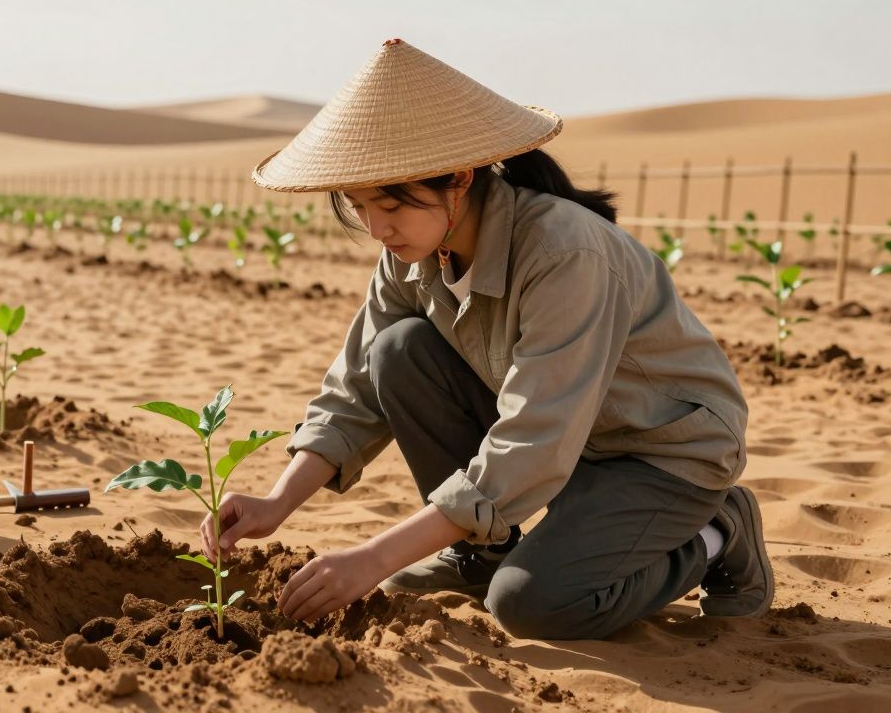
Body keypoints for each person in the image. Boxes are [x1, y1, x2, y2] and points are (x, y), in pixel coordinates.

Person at [199, 38, 771, 641]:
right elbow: (358, 389)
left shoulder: (563, 253)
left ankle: (717, 534)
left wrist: (373, 559)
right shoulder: (411, 252)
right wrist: (276, 502)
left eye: (392, 201)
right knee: (397, 354)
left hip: (661, 454)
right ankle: (483, 552)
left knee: (532, 604)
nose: (376, 227)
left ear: (461, 179)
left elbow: (533, 440)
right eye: (359, 205)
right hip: (571, 445)